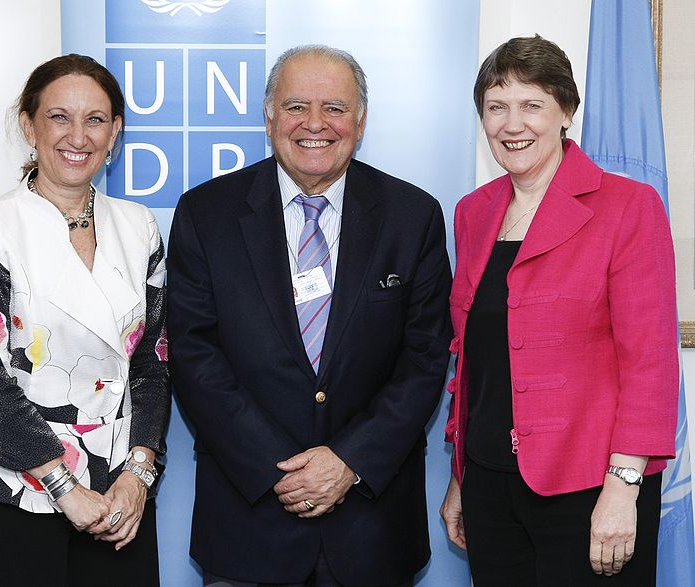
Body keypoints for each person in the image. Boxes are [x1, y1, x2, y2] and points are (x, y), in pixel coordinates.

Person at [167, 44, 452, 587]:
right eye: (296, 106)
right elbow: (193, 354)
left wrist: (347, 461)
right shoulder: (207, 214)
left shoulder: (412, 216)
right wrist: (283, 469)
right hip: (250, 525)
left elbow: (425, 358)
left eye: (335, 108)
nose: (315, 124)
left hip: (373, 528)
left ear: (361, 120)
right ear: (269, 115)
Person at [439, 35, 679, 586]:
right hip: (490, 488)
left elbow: (650, 363)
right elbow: (475, 361)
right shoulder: (473, 213)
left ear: (566, 111)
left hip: (590, 488)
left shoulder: (627, 207)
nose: (511, 123)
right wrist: (461, 478)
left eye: (532, 105)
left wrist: (622, 489)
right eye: (497, 107)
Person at [0, 54, 170, 586]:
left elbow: (153, 368)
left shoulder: (140, 227)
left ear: (115, 131)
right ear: (29, 125)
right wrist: (63, 486)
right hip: (11, 493)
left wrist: (138, 475)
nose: (78, 136)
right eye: (59, 117)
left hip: (118, 501)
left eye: (95, 119)